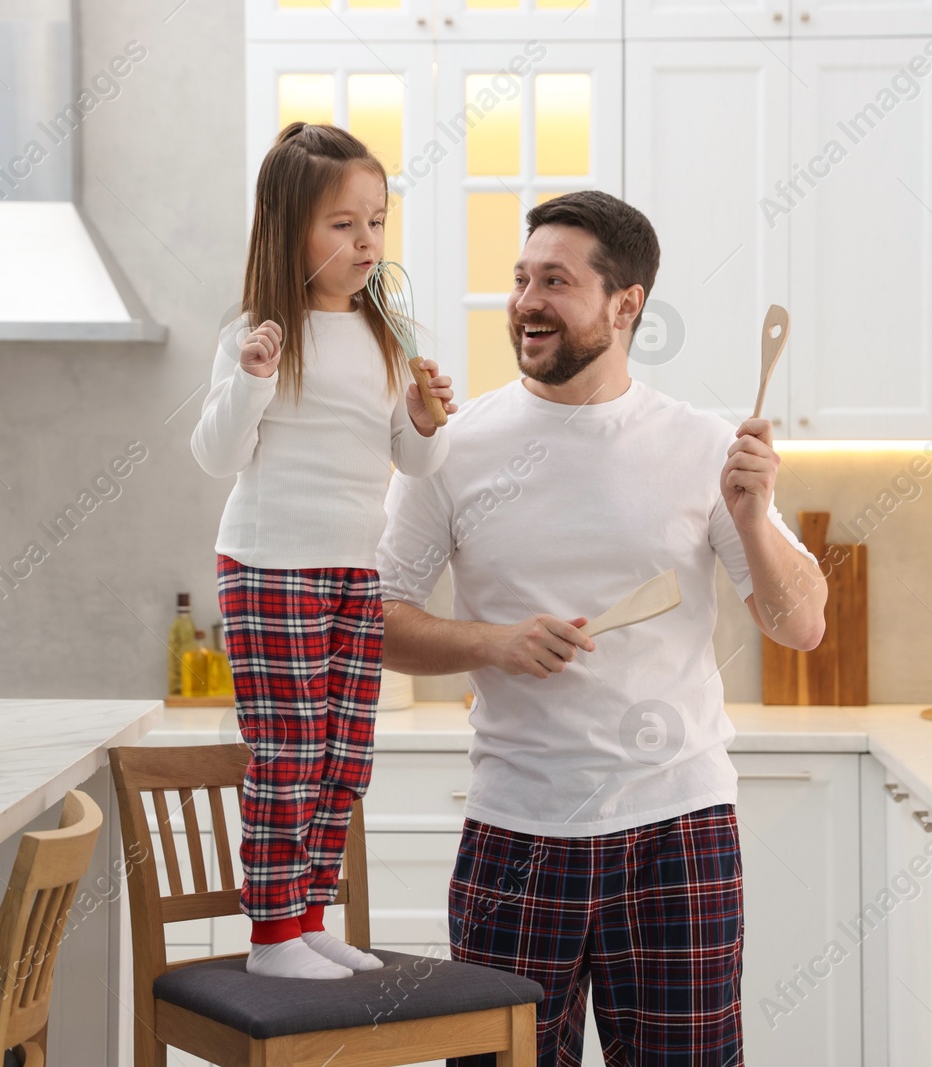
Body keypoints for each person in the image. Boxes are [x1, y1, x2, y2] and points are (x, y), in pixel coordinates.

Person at [376, 190, 826, 1062]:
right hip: (515, 833)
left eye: (555, 280)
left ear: (627, 305)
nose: (526, 302)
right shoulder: (452, 446)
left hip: (677, 831)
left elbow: (799, 623)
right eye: (520, 279)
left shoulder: (703, 446)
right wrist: (492, 642)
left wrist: (757, 516)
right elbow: (379, 621)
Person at [191, 122, 457, 980]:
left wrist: (423, 421)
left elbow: (412, 461)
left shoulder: (390, 334)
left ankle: (310, 917)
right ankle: (271, 938)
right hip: (269, 565)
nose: (367, 242)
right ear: (288, 228)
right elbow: (215, 455)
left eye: (376, 221)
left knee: (344, 752)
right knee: (291, 749)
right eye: (343, 224)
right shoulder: (256, 333)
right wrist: (252, 377)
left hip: (354, 568)